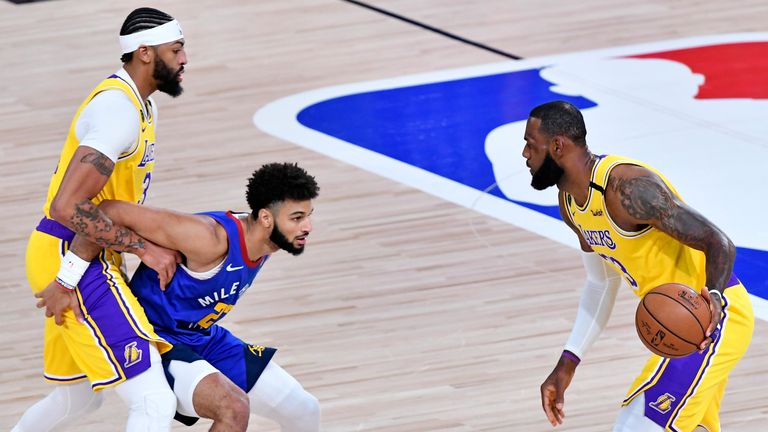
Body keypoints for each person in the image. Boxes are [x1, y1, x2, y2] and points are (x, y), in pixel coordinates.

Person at [525, 101, 754, 431]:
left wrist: (714, 301)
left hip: (711, 319)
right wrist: (568, 363)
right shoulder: (571, 205)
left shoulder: (628, 189)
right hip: (683, 328)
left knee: (636, 424)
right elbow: (601, 284)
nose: (525, 155)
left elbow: (718, 242)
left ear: (557, 146)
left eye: (531, 145)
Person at [14, 7, 188, 432]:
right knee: (153, 401)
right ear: (145, 53)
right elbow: (67, 206)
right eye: (177, 49)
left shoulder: (141, 104)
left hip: (78, 252)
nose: (184, 59)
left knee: (74, 401)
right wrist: (142, 250)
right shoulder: (118, 110)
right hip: (70, 252)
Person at [97, 162, 321, 431]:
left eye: (308, 215)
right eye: (297, 218)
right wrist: (142, 250)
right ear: (265, 218)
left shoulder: (266, 240)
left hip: (200, 335)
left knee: (303, 409)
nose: (307, 226)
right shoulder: (208, 237)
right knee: (234, 407)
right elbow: (110, 210)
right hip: (153, 336)